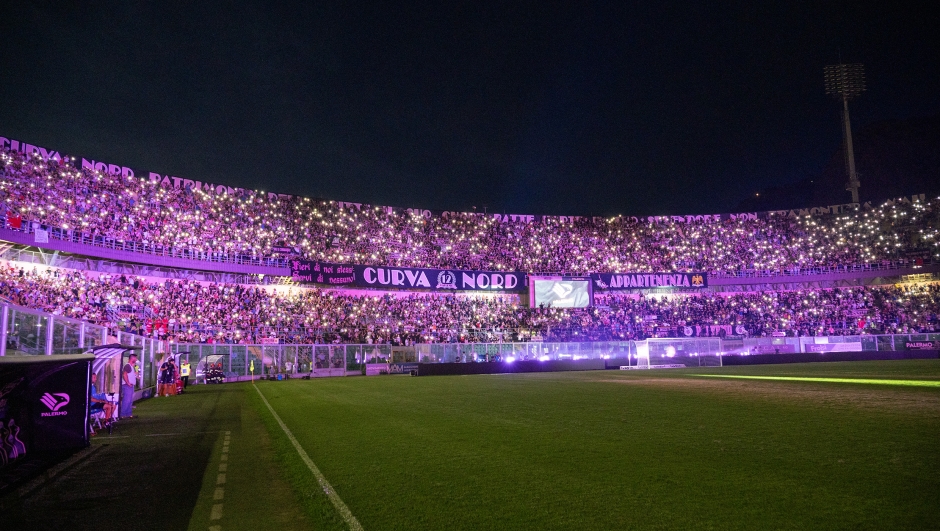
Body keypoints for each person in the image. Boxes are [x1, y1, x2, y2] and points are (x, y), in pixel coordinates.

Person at [120, 353, 137, 418]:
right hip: (127, 386)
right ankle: (123, 414)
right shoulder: (127, 366)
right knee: (127, 400)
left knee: (129, 400)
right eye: (135, 358)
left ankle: (128, 414)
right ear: (132, 358)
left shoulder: (130, 366)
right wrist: (128, 383)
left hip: (129, 386)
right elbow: (124, 374)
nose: (136, 359)